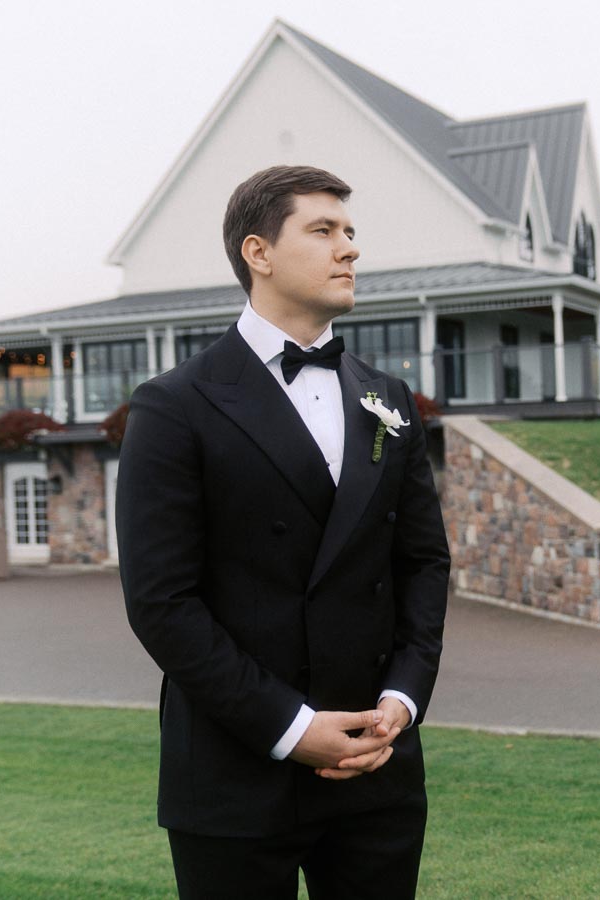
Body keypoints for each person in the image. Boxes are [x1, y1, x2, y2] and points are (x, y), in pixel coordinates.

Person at [117, 164, 450, 899]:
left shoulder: (387, 399)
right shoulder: (174, 406)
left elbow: (424, 564)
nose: (350, 249)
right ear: (257, 253)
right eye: (324, 230)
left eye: (352, 233)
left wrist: (402, 699)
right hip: (236, 771)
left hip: (374, 764)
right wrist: (292, 729)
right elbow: (161, 601)